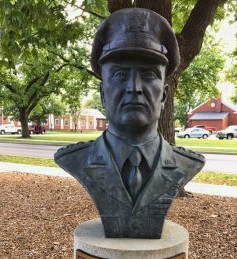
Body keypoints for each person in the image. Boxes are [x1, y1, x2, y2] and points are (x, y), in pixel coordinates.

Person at [55, 8, 205, 238]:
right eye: (120, 75)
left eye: (149, 75)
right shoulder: (76, 159)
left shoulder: (185, 164)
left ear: (164, 95)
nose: (134, 88)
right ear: (103, 94)